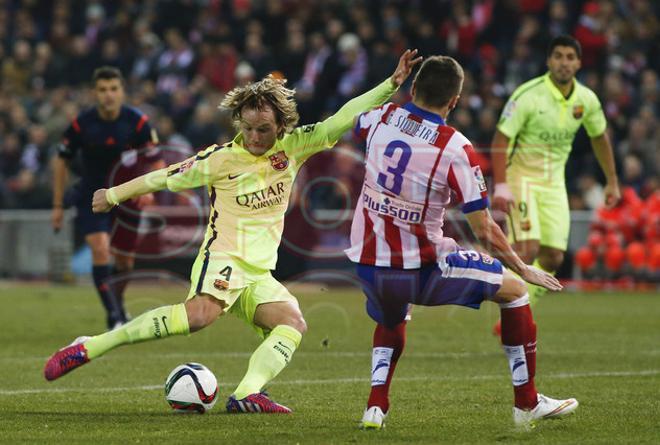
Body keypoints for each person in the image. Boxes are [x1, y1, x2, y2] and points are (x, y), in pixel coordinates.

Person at [43, 50, 423, 414]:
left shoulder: (294, 147)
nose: (256, 138)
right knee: (199, 317)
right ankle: (91, 346)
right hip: (223, 257)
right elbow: (163, 176)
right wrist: (112, 194)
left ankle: (247, 393)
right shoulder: (219, 158)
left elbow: (342, 117)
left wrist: (390, 84)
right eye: (250, 129)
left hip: (258, 271)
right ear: (239, 124)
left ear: (281, 126)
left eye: (265, 130)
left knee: (292, 324)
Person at [345, 55, 577, 430]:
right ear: (454, 101)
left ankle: (375, 406)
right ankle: (527, 404)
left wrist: (391, 84)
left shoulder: (382, 117)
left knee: (392, 315)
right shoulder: (455, 148)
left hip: (369, 268)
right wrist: (522, 266)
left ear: (414, 87)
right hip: (424, 271)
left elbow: (354, 117)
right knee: (515, 291)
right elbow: (484, 228)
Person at [490, 35, 620, 328]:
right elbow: (501, 138)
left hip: (553, 184)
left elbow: (599, 137)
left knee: (553, 257)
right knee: (527, 248)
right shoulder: (528, 95)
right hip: (520, 178)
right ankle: (512, 315)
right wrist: (501, 185)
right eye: (558, 56)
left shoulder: (586, 99)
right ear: (549, 61)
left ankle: (515, 310)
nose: (564, 62)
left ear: (579, 63)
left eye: (570, 57)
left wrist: (612, 180)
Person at [52, 66, 162, 330]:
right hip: (92, 196)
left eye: (113, 89)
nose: (108, 95)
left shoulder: (137, 122)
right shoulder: (82, 123)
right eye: (102, 90)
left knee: (125, 261)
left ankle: (117, 305)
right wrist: (57, 205)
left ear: (122, 91)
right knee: (100, 249)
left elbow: (156, 161)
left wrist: (148, 191)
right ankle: (114, 316)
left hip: (127, 196)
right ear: (94, 92)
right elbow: (61, 161)